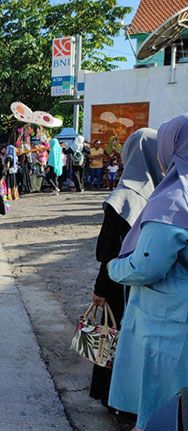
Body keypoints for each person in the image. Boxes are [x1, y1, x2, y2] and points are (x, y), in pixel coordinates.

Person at [107, 114, 188, 430]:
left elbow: (147, 265)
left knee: (162, 410)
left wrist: (115, 267)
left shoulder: (172, 200)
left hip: (167, 325)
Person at [89, 128, 163, 414]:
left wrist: (100, 290)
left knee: (115, 338)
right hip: (151, 289)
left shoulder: (122, 197)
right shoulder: (166, 192)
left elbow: (107, 252)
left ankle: (115, 398)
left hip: (120, 284)